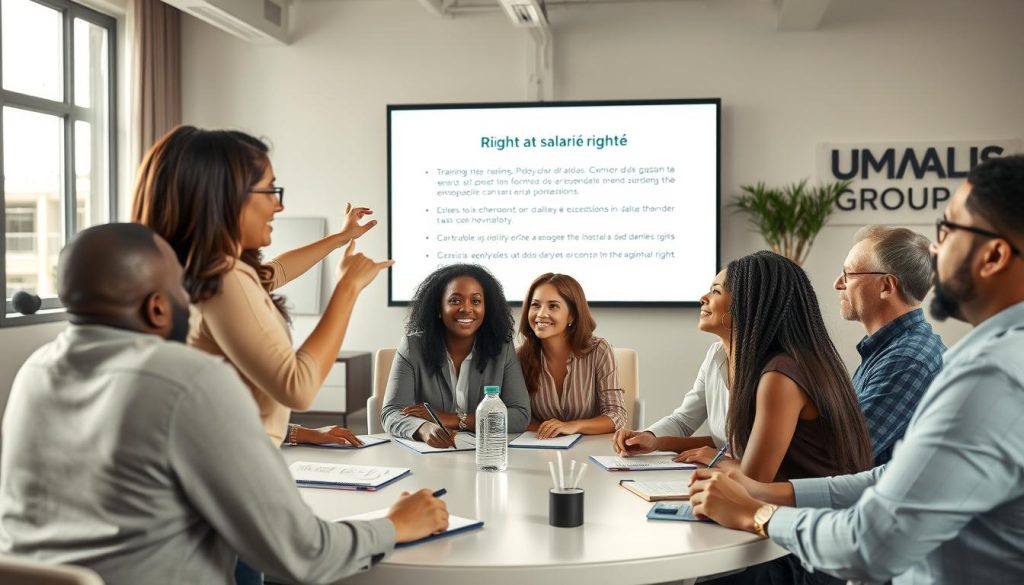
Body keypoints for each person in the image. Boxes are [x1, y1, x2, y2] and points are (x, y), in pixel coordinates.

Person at [0, 223, 448, 585]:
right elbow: (302, 554)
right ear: (158, 308)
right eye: (184, 292)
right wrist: (395, 524)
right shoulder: (187, 377)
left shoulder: (34, 372)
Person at [688, 154, 1024, 584]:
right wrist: (767, 493)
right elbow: (895, 475)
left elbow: (872, 543)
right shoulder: (980, 358)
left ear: (994, 255)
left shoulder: (987, 375)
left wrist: (760, 514)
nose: (935, 250)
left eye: (948, 229)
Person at [132, 125, 391, 449]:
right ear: (226, 196)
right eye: (269, 191)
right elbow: (298, 386)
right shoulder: (225, 280)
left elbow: (278, 270)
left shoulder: (196, 274)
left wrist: (342, 238)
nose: (277, 206)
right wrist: (348, 287)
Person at [614, 253, 873, 485]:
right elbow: (702, 429)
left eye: (715, 291)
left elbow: (755, 478)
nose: (702, 298)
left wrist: (716, 459)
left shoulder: (781, 375)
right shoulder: (719, 355)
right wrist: (653, 439)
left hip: (809, 518)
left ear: (747, 303)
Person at [381, 264, 531, 447]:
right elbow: (391, 412)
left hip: (485, 453)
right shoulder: (413, 347)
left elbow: (520, 415)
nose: (466, 309)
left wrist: (455, 419)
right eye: (455, 300)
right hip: (431, 456)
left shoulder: (502, 349)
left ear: (486, 308)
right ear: (438, 307)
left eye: (475, 301)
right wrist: (424, 428)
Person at [834, 225, 945, 464]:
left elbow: (841, 456)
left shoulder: (908, 361)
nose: (838, 284)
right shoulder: (890, 350)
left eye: (848, 274)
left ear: (886, 286)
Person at [517, 273, 626, 438]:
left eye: (553, 306)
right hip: (541, 448)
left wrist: (572, 426)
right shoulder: (520, 357)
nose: (540, 314)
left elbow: (616, 416)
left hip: (590, 450)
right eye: (535, 305)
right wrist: (549, 430)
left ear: (572, 315)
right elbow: (517, 415)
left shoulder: (599, 350)